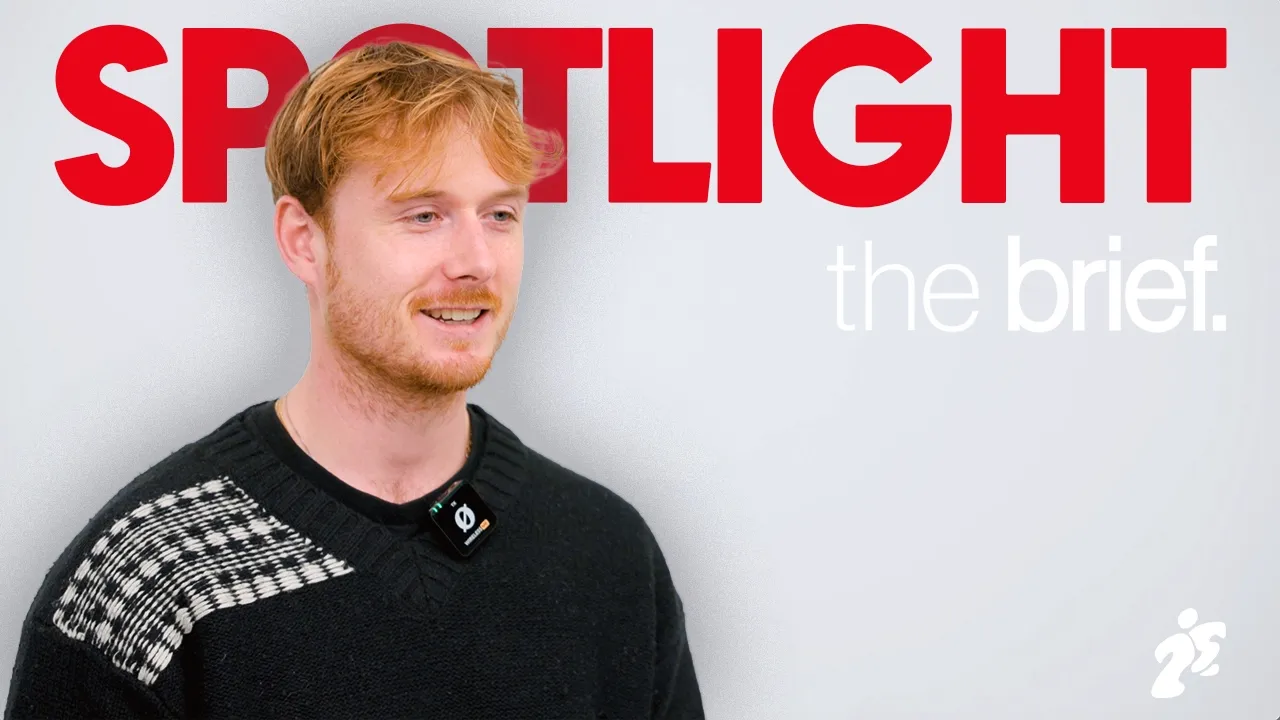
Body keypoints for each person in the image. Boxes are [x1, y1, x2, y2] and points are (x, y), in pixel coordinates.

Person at [5, 40, 703, 719]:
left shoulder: (608, 554)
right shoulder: (146, 580)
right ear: (303, 241)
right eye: (423, 215)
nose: (477, 261)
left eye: (500, 214)